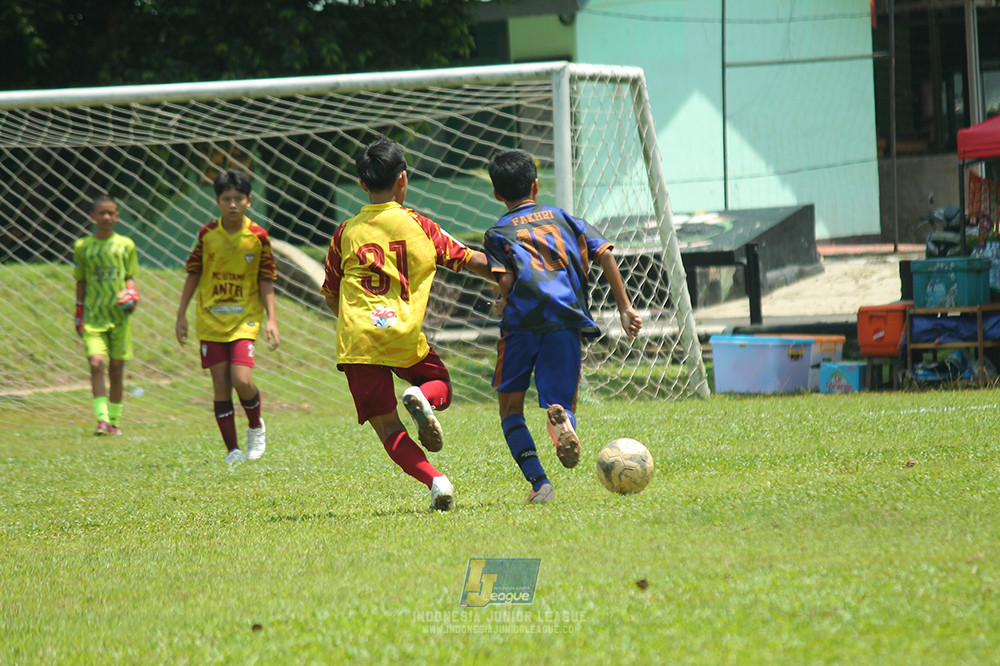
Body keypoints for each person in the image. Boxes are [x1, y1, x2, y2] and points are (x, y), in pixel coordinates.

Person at [321, 137, 493, 512]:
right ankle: (423, 397)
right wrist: (512, 274)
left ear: (362, 184)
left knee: (388, 426)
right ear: (403, 179)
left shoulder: (345, 232)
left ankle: (437, 482)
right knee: (440, 383)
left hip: (358, 341)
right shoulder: (420, 226)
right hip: (403, 335)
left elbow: (331, 294)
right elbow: (471, 260)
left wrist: (357, 322)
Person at [483, 149, 643, 504]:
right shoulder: (565, 218)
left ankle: (540, 484)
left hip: (522, 323)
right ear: (535, 185)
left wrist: (502, 300)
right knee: (560, 401)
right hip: (565, 319)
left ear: (497, 194)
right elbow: (605, 254)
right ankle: (563, 425)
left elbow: (506, 280)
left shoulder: (498, 232)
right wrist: (625, 307)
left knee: (510, 409)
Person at [175, 169, 280, 464]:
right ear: (218, 201)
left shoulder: (258, 236)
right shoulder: (207, 234)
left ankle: (255, 426)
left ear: (249, 200)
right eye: (226, 199)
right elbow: (193, 273)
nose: (233, 204)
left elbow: (266, 279)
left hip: (245, 319)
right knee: (221, 385)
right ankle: (233, 450)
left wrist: (272, 320)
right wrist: (181, 314)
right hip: (210, 320)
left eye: (238, 198)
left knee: (242, 380)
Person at [73, 194, 140, 436]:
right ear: (92, 216)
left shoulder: (126, 245)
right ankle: (101, 420)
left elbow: (129, 277)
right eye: (102, 213)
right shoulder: (83, 247)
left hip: (119, 318)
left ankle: (114, 420)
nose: (107, 217)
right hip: (93, 317)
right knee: (96, 363)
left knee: (117, 369)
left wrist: (132, 293)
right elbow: (81, 281)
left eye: (111, 213)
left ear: (117, 216)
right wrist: (79, 311)